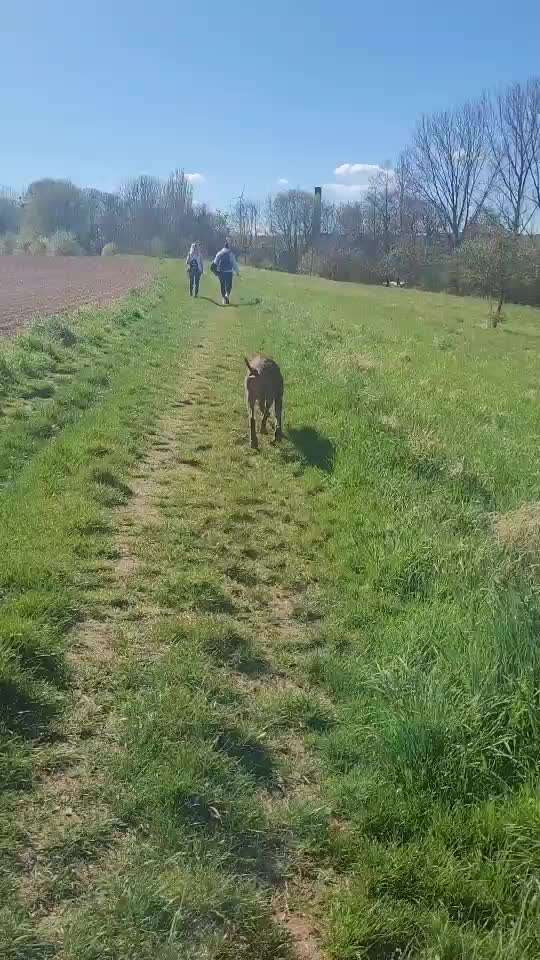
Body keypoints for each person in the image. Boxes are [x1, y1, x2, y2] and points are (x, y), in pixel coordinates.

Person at [212, 239, 240, 305]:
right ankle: (227, 295)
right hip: (229, 272)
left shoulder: (219, 253)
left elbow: (215, 262)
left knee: (222, 285)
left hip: (221, 272)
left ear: (224, 247)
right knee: (229, 286)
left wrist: (216, 271)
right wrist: (237, 272)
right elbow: (234, 264)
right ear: (229, 247)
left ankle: (223, 298)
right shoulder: (231, 253)